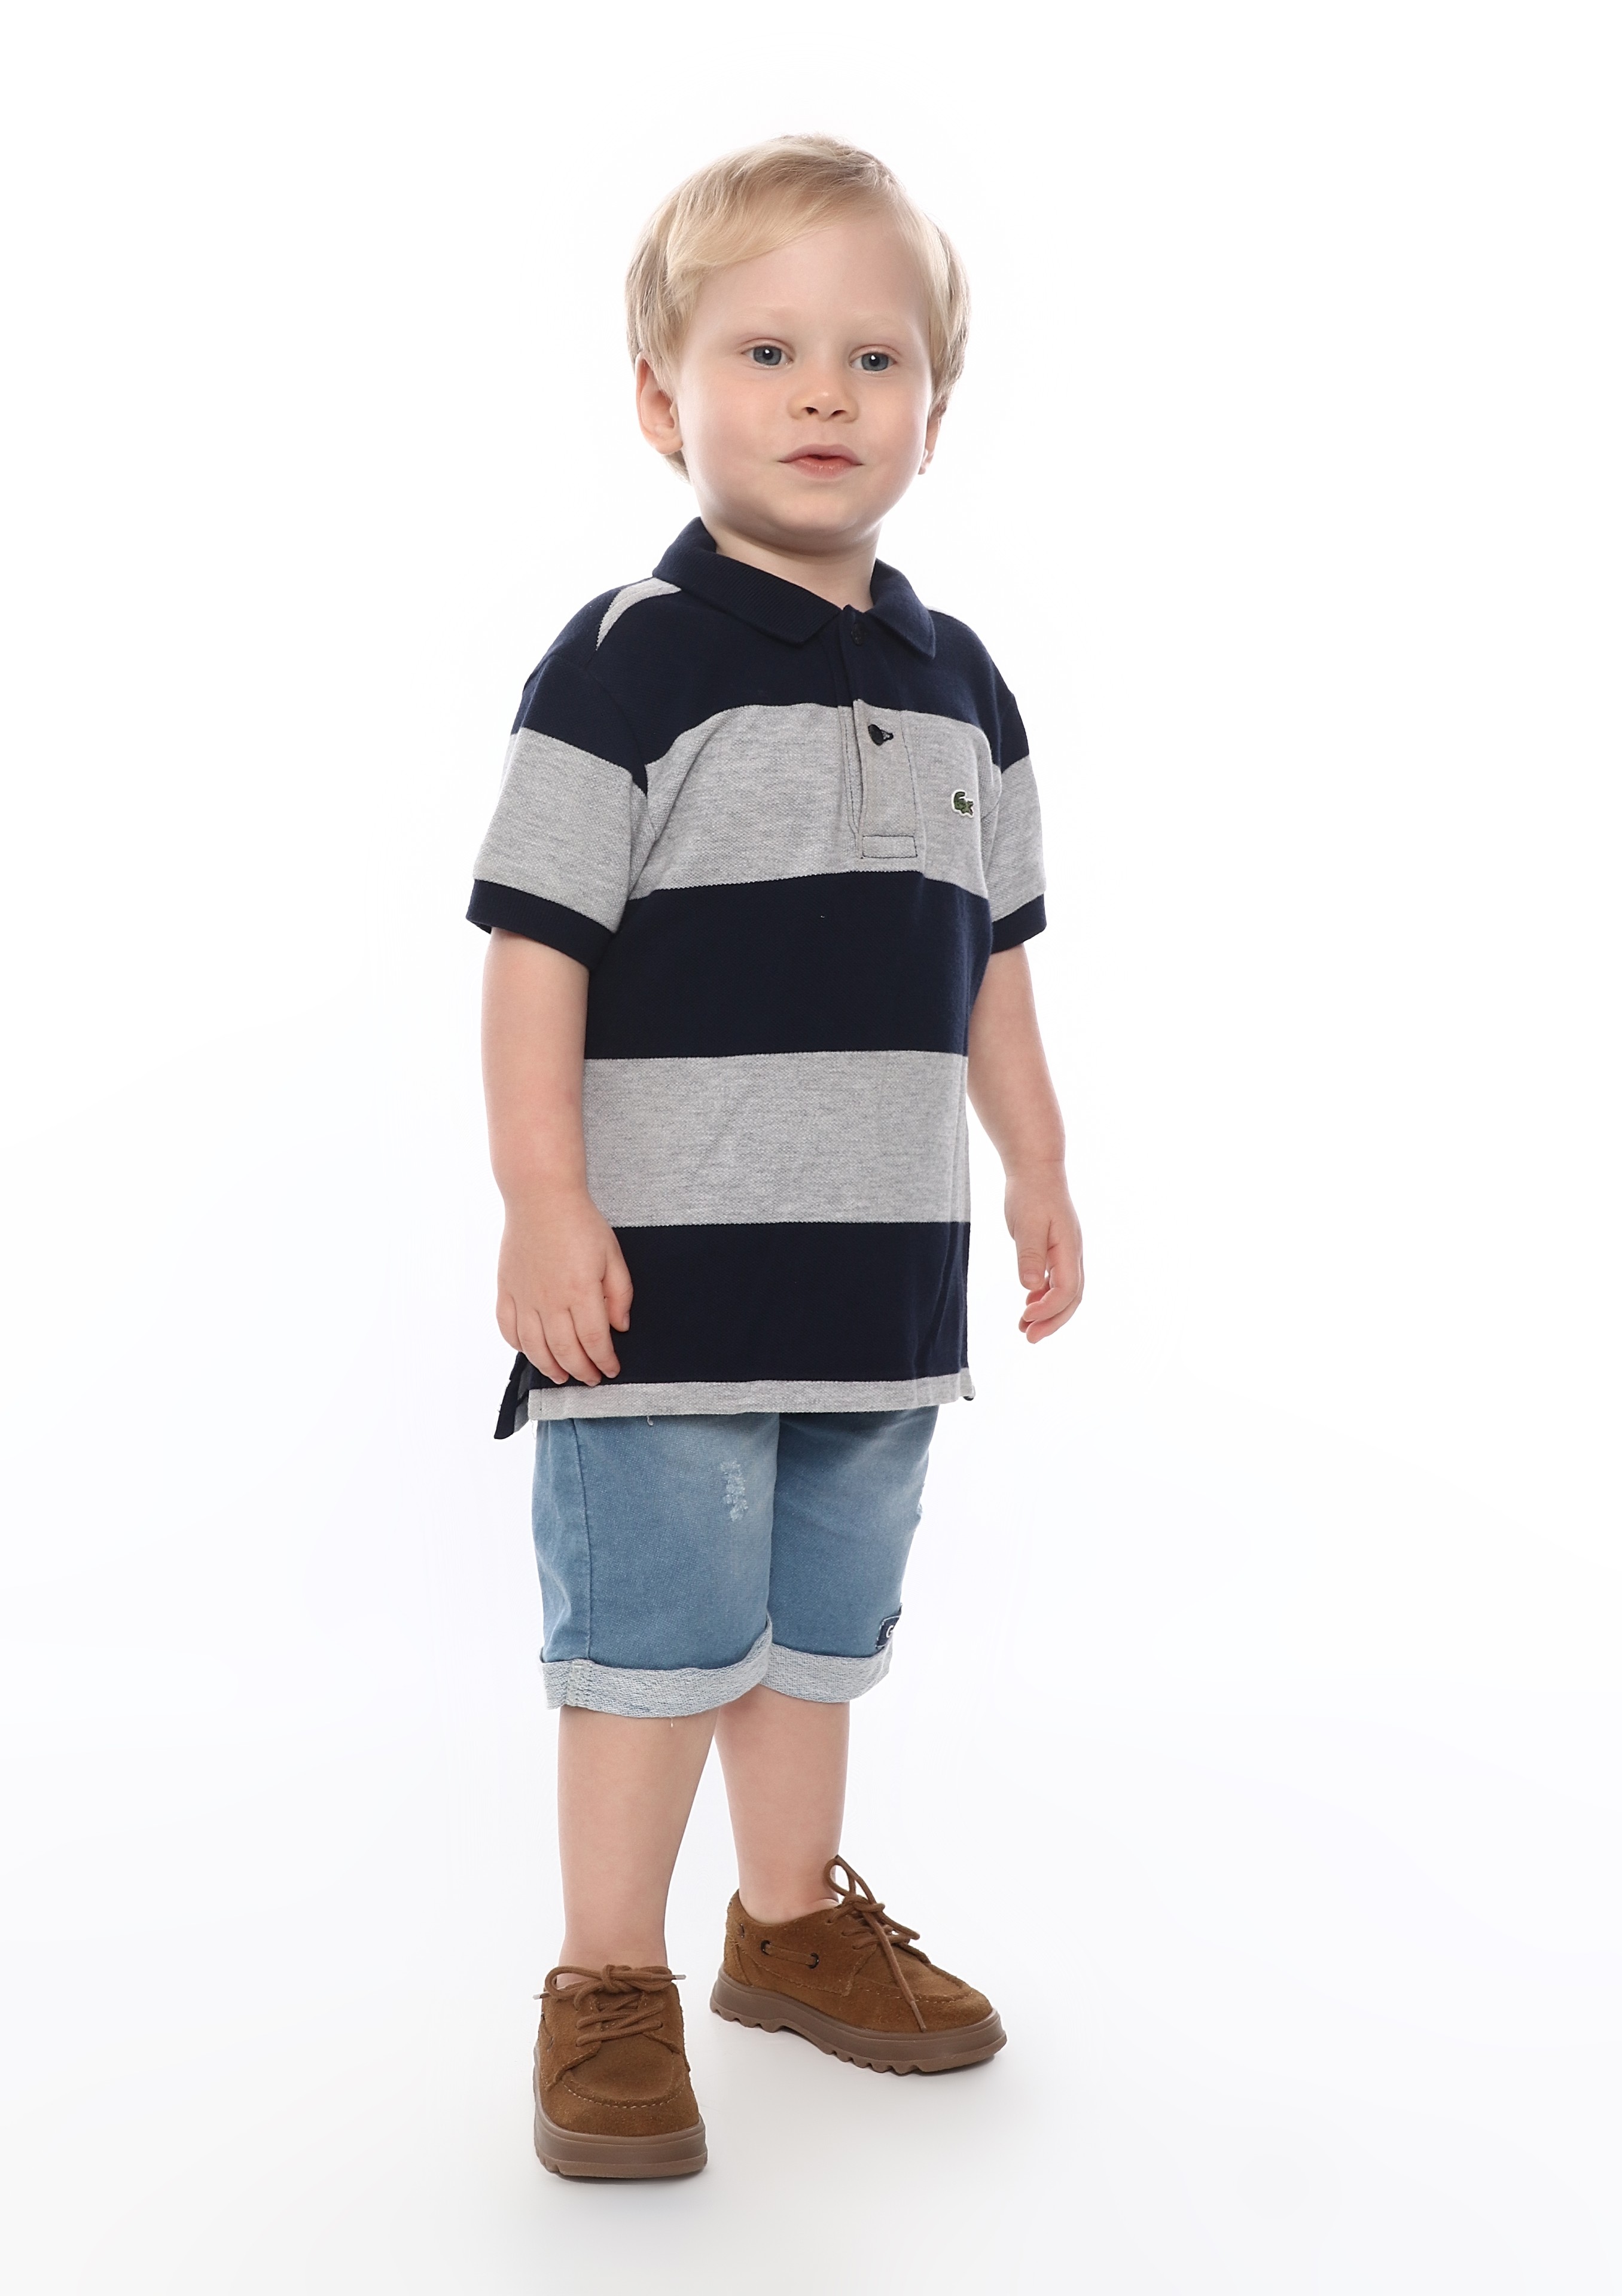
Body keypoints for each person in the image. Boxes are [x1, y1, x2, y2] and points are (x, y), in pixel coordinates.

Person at [470, 134, 1082, 2181]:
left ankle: (792, 1925)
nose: (824, 393)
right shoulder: (627, 659)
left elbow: (992, 968)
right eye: (766, 352)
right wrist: (542, 1203)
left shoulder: (961, 683)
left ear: (931, 408)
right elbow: (533, 955)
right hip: (658, 1293)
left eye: (872, 357)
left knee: (818, 1637)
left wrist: (1039, 1172)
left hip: (874, 1287)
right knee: (648, 1657)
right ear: (664, 401)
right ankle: (604, 1982)